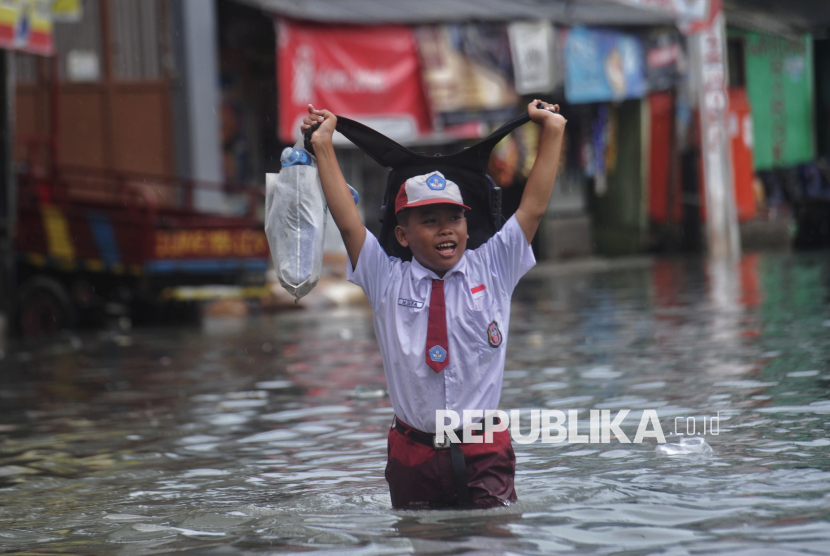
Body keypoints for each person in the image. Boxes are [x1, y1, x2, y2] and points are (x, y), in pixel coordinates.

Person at [301, 100, 566, 509]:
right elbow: (348, 221)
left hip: (483, 451)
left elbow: (533, 207)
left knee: (492, 542)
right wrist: (323, 145)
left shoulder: (494, 266)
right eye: (429, 221)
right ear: (403, 236)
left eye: (454, 219)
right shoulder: (385, 277)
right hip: (413, 455)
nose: (446, 230)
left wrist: (553, 130)